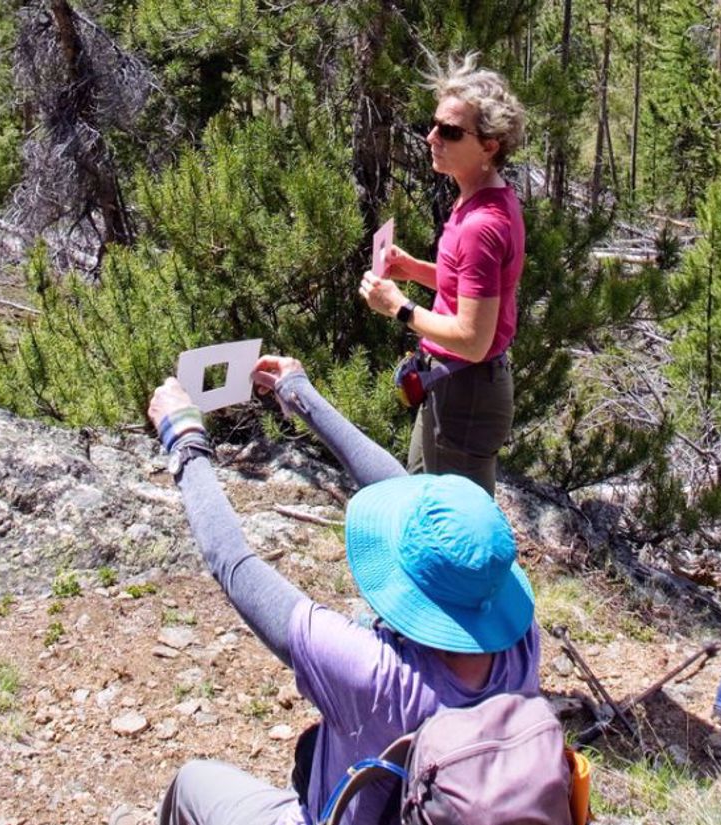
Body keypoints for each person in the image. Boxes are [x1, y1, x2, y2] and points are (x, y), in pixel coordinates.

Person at [147, 355, 539, 825]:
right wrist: (300, 394)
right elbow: (403, 492)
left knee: (194, 782)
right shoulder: (519, 638)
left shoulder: (374, 675)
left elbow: (232, 563)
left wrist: (184, 437)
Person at [358, 53, 529, 494]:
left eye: (450, 132)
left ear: (489, 146)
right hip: (459, 386)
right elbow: (475, 291)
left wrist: (399, 308)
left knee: (452, 529)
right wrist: (416, 270)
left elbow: (472, 340)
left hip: (465, 391)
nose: (432, 137)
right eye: (433, 125)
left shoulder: (480, 225)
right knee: (434, 508)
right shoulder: (485, 199)